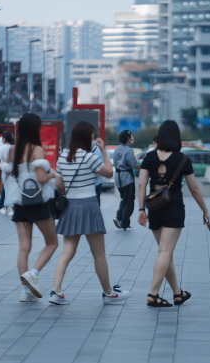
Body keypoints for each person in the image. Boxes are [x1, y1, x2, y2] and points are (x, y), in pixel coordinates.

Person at [50, 121, 131, 305]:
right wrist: (103, 151)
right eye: (94, 137)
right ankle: (108, 293)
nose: (95, 140)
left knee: (67, 251)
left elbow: (58, 184)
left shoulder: (63, 156)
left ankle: (56, 290)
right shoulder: (90, 157)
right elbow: (110, 173)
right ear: (88, 138)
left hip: (70, 206)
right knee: (99, 254)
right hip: (88, 206)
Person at [138, 120, 210, 307]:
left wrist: (140, 209)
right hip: (174, 208)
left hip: (154, 208)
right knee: (165, 251)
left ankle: (177, 293)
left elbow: (141, 185)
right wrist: (205, 211)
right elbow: (194, 189)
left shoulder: (149, 157)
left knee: (165, 252)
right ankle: (153, 294)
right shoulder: (182, 159)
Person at [0, 114, 58, 302]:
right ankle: (33, 273)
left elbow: (10, 175)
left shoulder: (12, 150)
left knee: (24, 247)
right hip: (38, 202)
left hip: (20, 203)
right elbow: (41, 178)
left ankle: (25, 291)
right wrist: (53, 174)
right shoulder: (36, 149)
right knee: (52, 242)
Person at [113, 130, 136, 229]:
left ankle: (121, 218)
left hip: (118, 177)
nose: (132, 138)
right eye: (131, 136)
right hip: (127, 177)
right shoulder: (129, 150)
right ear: (127, 138)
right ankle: (122, 219)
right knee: (129, 200)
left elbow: (115, 163)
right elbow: (133, 164)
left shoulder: (117, 149)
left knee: (124, 198)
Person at [0, 132, 15, 216]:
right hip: (14, 169)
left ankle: (8, 208)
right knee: (13, 188)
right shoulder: (14, 147)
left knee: (7, 189)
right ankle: (9, 208)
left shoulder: (2, 148)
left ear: (4, 138)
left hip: (6, 169)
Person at [92, 134, 105, 205]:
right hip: (89, 184)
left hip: (96, 183)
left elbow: (101, 167)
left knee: (96, 204)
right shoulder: (83, 150)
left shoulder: (97, 150)